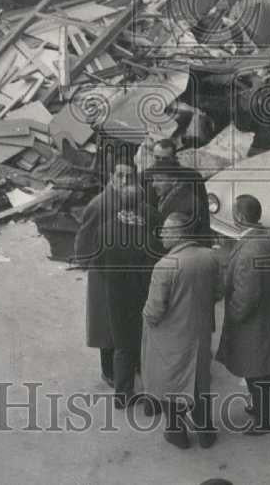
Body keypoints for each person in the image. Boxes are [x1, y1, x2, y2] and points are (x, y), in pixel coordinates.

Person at [72, 157, 161, 406]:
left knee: (118, 327)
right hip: (105, 274)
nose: (123, 180)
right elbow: (84, 240)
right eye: (119, 175)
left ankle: (122, 373)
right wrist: (92, 267)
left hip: (118, 272)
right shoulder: (99, 204)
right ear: (111, 177)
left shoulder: (136, 202)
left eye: (128, 176)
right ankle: (109, 372)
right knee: (106, 328)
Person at [141, 213, 222, 449]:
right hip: (200, 332)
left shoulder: (165, 266)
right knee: (198, 383)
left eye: (166, 231)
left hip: (171, 337)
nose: (162, 235)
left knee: (171, 384)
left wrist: (145, 316)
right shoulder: (210, 257)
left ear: (178, 235)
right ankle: (206, 432)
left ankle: (177, 433)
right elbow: (218, 292)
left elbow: (154, 310)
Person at [215, 195, 270, 434]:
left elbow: (247, 295)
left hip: (253, 323)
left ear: (239, 217)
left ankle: (266, 420)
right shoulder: (269, 237)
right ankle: (268, 411)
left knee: (257, 372)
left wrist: (235, 316)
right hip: (269, 316)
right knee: (268, 370)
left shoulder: (249, 252)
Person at [141, 138, 211, 242]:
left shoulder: (193, 177)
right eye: (157, 158)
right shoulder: (145, 176)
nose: (160, 163)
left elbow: (204, 213)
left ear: (174, 158)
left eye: (165, 159)